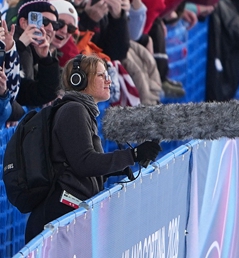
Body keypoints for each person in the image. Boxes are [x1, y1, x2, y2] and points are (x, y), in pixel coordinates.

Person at [24, 54, 160, 244]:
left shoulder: (81, 110)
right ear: (79, 80)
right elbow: (84, 163)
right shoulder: (74, 110)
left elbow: (73, 164)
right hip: (58, 217)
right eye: (101, 75)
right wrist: (133, 155)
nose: (108, 80)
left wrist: (111, 170)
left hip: (66, 213)